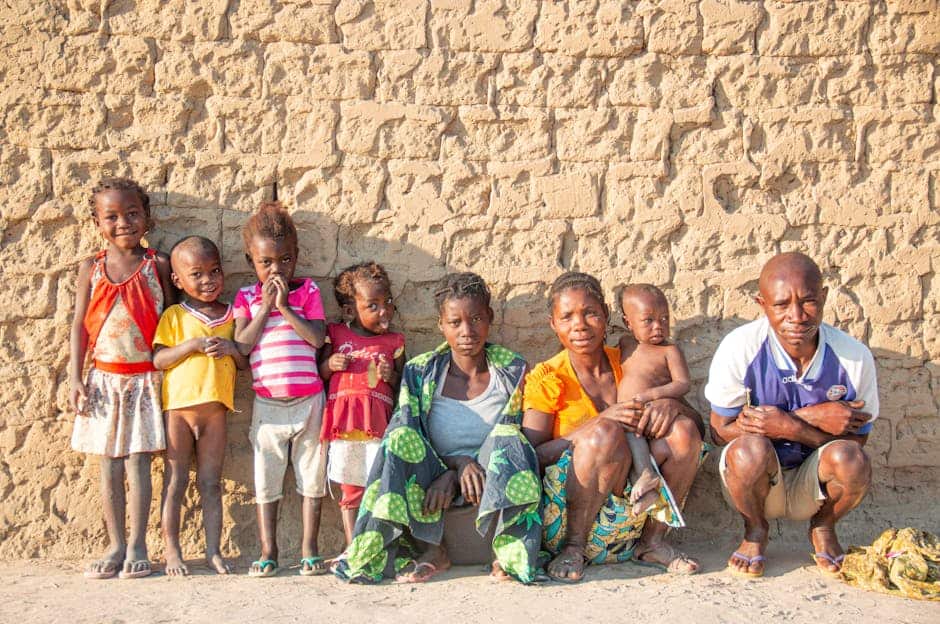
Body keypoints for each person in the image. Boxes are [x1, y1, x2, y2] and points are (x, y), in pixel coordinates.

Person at [333, 273, 542, 584]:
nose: (467, 331)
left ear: (490, 319)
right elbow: (407, 428)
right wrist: (453, 467)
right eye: (455, 322)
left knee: (509, 439)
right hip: (430, 507)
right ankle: (431, 551)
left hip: (490, 502)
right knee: (399, 438)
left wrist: (464, 467)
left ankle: (510, 552)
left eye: (476, 319)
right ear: (441, 326)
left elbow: (512, 441)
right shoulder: (421, 371)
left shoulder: (511, 370)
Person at [523, 272, 703, 583]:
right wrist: (602, 421)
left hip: (631, 508)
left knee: (685, 431)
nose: (579, 325)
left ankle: (652, 543)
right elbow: (531, 456)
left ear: (607, 315)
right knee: (606, 432)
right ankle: (574, 548)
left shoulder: (634, 359)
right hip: (570, 511)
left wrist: (673, 406)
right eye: (567, 317)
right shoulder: (548, 377)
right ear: (554, 325)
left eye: (590, 313)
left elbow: (698, 426)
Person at [705, 252, 875, 579]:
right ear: (762, 303)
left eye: (808, 301)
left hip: (816, 480)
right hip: (760, 482)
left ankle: (824, 527)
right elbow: (718, 431)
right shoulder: (740, 348)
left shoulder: (852, 357)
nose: (796, 316)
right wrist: (812, 417)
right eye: (781, 305)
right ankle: (755, 530)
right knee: (748, 450)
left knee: (852, 460)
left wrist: (792, 425)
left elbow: (858, 440)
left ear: (824, 297)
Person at [69, 177, 175, 579]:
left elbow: (173, 319)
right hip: (103, 381)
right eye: (111, 216)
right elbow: (80, 324)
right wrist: (74, 377)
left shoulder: (157, 264)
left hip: (144, 381)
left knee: (138, 464)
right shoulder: (91, 268)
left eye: (133, 214)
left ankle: (138, 544)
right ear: (98, 223)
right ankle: (114, 543)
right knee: (108, 466)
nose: (124, 223)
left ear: (147, 218)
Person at [233, 202, 329, 578]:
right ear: (251, 261)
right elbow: (242, 344)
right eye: (266, 263)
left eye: (285, 260)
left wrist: (286, 309)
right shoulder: (245, 297)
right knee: (266, 477)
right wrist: (264, 309)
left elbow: (317, 338)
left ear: (297, 257)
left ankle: (309, 549)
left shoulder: (307, 291)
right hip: (269, 405)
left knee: (312, 476)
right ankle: (268, 550)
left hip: (309, 402)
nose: (277, 270)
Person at [153, 236, 248, 576]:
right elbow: (160, 358)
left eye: (215, 271)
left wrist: (230, 349)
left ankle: (213, 551)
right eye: (197, 274)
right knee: (175, 481)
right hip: (178, 409)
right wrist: (191, 345)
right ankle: (173, 552)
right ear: (178, 280)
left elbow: (243, 362)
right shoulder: (175, 315)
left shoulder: (232, 315)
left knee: (211, 482)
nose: (208, 280)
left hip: (215, 411)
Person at [318, 262, 405, 545]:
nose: (385, 311)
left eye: (388, 301)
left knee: (378, 486)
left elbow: (403, 383)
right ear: (349, 311)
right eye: (373, 306)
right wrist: (330, 364)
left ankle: (378, 544)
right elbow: (320, 373)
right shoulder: (337, 334)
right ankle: (353, 545)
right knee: (351, 488)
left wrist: (390, 376)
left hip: (378, 426)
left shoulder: (394, 342)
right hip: (346, 427)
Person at [616, 284, 692, 516]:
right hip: (625, 414)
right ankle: (645, 486)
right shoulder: (625, 344)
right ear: (628, 323)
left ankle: (647, 476)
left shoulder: (669, 350)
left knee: (633, 433)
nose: (658, 326)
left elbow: (682, 384)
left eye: (664, 319)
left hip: (648, 412)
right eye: (648, 320)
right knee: (625, 440)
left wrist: (652, 395)